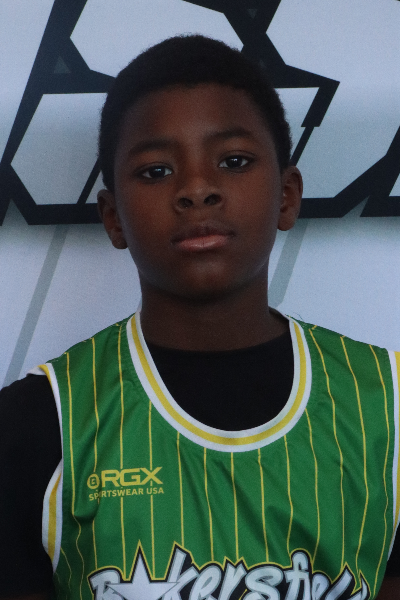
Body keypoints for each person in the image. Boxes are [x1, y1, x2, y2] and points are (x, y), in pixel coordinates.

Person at [0, 35, 399, 600]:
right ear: (113, 218)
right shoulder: (36, 426)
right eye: (156, 171)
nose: (196, 189)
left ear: (287, 196)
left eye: (233, 161)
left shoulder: (388, 407)